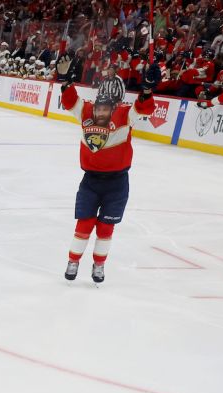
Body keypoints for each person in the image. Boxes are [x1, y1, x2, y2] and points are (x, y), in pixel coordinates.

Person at [59, 67, 156, 283]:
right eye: (99, 108)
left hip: (117, 184)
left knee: (105, 228)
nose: (101, 112)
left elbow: (144, 108)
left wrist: (147, 91)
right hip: (90, 182)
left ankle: (99, 265)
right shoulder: (85, 111)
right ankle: (73, 261)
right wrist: (66, 81)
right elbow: (69, 102)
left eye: (106, 109)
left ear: (114, 106)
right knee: (84, 224)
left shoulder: (125, 114)